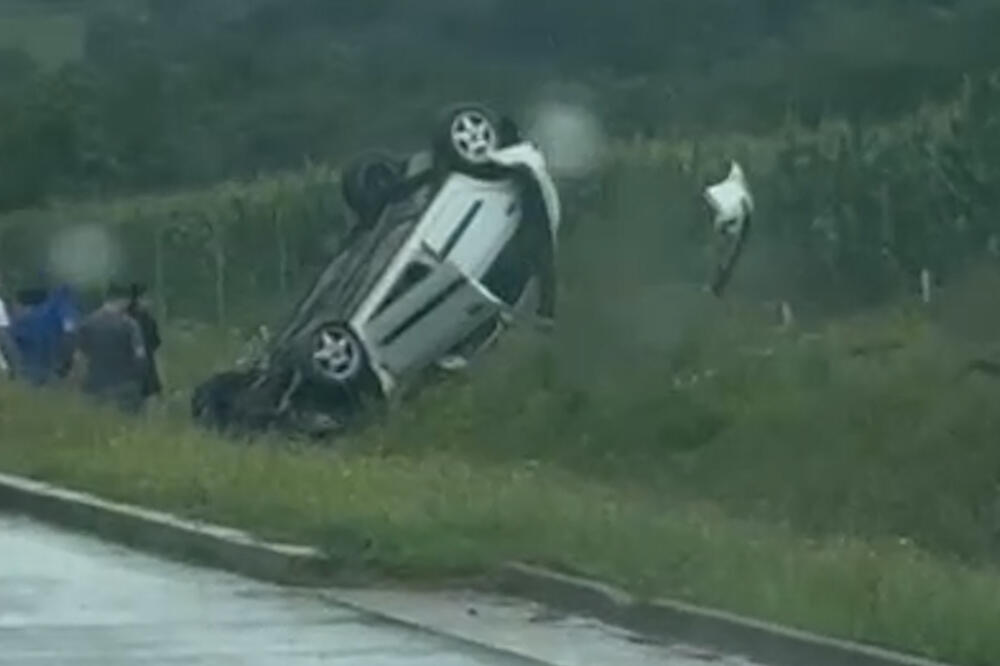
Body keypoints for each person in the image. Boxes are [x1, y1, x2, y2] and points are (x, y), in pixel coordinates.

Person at [75, 283, 147, 413]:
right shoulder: (130, 325)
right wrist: (139, 379)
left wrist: (81, 382)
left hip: (95, 386)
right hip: (125, 387)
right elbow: (140, 356)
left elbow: (79, 357)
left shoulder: (87, 322)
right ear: (125, 300)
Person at [11, 285, 79, 386]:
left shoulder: (27, 320)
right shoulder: (64, 311)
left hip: (31, 369)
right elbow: (70, 331)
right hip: (54, 367)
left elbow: (15, 344)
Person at [127, 283, 163, 400]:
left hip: (136, 367)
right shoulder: (144, 320)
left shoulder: (147, 319)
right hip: (142, 367)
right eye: (147, 298)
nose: (150, 301)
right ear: (138, 299)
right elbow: (154, 347)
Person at [0, 279, 21, 378]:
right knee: (7, 349)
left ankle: (11, 369)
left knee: (9, 349)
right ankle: (7, 369)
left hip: (4, 326)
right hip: (4, 326)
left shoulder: (2, 300)